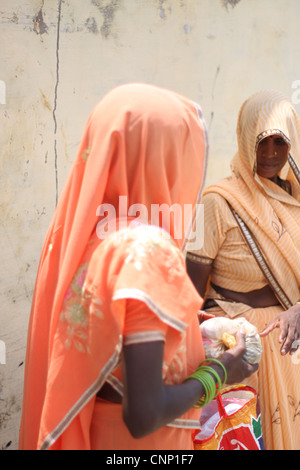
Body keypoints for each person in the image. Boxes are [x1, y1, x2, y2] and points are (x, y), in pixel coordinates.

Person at [19, 83, 257, 450]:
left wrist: (194, 334)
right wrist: (221, 371)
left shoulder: (81, 237)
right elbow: (144, 413)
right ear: (162, 158)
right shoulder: (147, 251)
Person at [186, 89, 300, 450]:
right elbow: (189, 295)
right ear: (243, 138)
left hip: (290, 345)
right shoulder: (217, 201)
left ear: (292, 142)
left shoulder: (296, 200)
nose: (269, 154)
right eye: (260, 142)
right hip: (240, 350)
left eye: (279, 142)